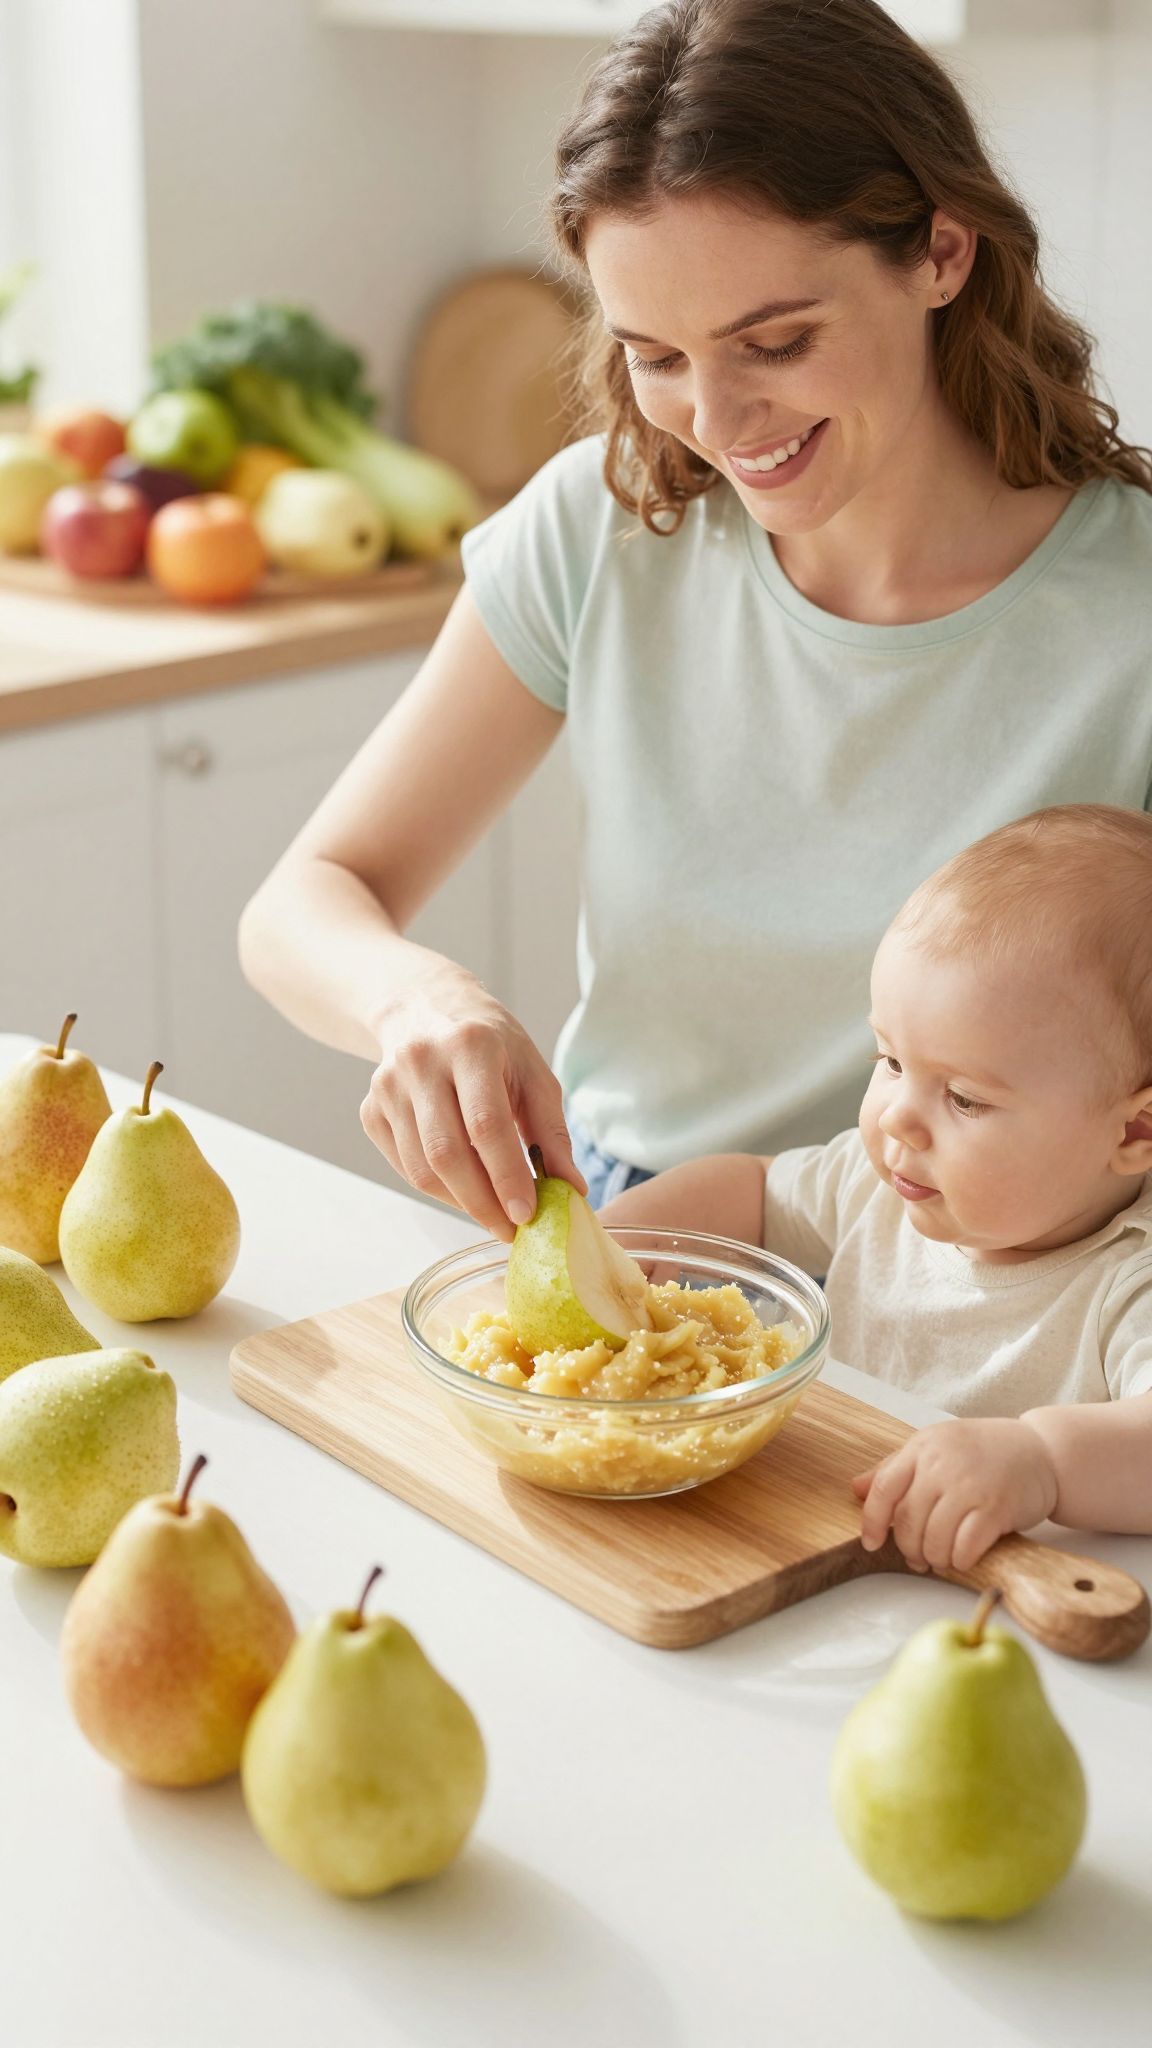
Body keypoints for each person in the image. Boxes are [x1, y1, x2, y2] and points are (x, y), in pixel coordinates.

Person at [238, 0, 1152, 1246]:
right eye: (654, 355)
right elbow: (305, 898)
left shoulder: (1131, 604)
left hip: (1002, 1281)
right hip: (642, 1223)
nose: (718, 421)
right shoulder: (601, 529)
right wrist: (417, 1001)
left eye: (773, 340)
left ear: (943, 251)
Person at [598, 805, 1152, 1572]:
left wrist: (1042, 1463)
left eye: (963, 1098)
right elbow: (758, 1191)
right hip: (823, 1547)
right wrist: (625, 1236)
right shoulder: (887, 1184)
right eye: (890, 1061)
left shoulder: (1130, 1280)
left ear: (1134, 1133)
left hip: (992, 1595)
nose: (897, 1118)